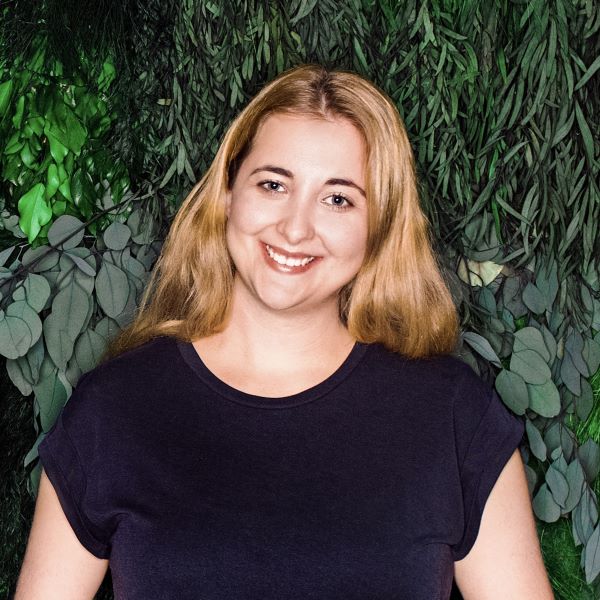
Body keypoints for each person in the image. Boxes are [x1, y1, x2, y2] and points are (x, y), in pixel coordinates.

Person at [16, 64, 554, 599]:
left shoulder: (453, 416)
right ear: (228, 193)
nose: (295, 229)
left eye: (338, 199)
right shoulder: (114, 410)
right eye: (273, 185)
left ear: (379, 226)